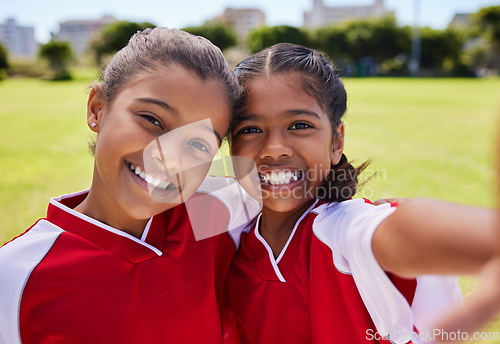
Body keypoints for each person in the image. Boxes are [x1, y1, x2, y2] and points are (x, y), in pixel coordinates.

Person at [0, 27, 261, 344]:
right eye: (152, 119)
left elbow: (314, 186)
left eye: (198, 145)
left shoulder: (218, 211)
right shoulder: (15, 278)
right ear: (97, 109)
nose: (167, 156)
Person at [225, 43, 497, 344]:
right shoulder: (227, 228)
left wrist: (486, 241)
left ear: (336, 142)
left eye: (300, 125)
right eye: (249, 129)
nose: (275, 147)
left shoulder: (341, 230)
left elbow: (401, 233)